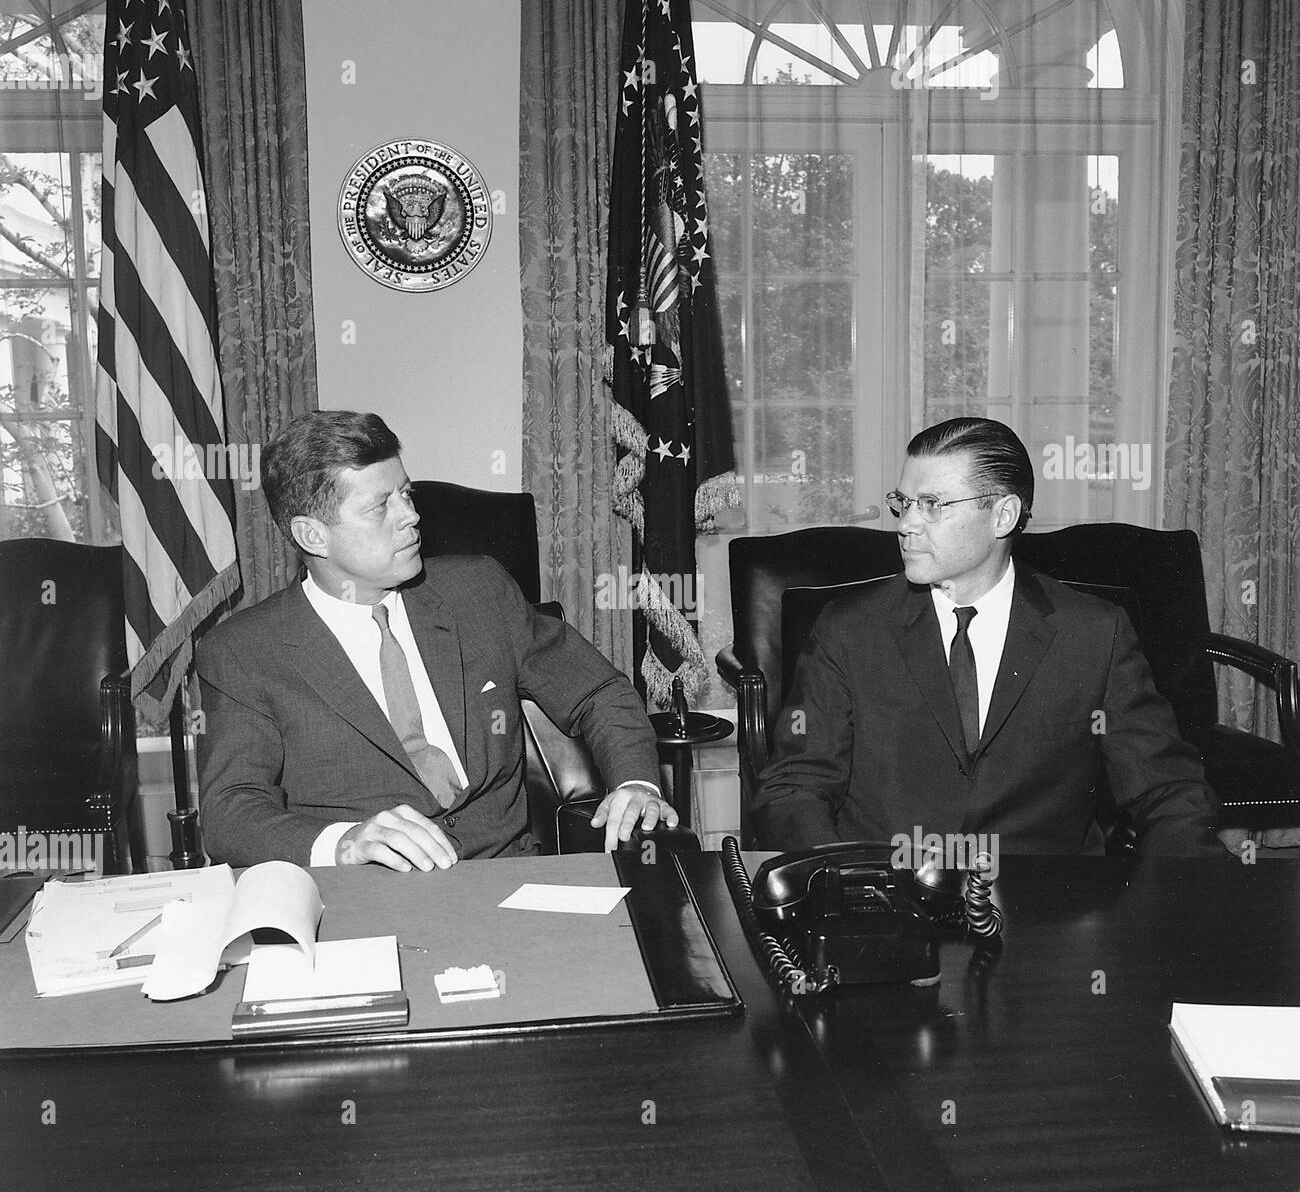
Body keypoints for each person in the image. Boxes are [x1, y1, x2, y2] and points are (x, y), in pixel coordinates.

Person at [197, 411, 675, 871]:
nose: (410, 516)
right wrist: (343, 843)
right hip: (367, 900)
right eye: (379, 506)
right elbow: (230, 810)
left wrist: (635, 784)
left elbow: (597, 691)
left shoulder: (479, 592)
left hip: (508, 879)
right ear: (313, 536)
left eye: (405, 493)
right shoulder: (243, 651)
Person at [752, 416, 1221, 857]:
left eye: (932, 505)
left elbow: (1167, 789)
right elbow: (795, 787)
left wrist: (1173, 905)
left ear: (1003, 516)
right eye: (904, 503)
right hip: (889, 898)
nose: (905, 524)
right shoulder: (849, 629)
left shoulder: (1095, 633)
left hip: (1045, 909)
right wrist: (839, 880)